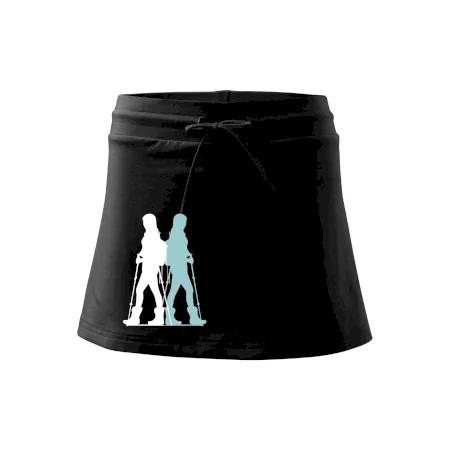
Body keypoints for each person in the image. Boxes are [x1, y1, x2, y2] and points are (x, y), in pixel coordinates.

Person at [123, 214, 167, 326]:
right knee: (155, 291)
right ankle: (159, 318)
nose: (144, 224)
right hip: (147, 267)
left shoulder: (153, 236)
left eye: (145, 222)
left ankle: (136, 318)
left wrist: (142, 258)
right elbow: (144, 250)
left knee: (140, 290)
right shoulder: (148, 234)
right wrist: (140, 256)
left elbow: (152, 253)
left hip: (150, 267)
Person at [165, 214, 206, 326]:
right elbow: (176, 251)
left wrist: (188, 256)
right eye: (183, 222)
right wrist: (187, 258)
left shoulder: (180, 234)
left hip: (181, 267)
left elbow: (184, 249)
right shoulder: (176, 235)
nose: (184, 224)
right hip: (178, 267)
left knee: (178, 291)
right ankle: (191, 318)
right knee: (184, 290)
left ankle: (171, 317)